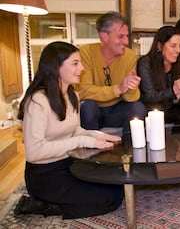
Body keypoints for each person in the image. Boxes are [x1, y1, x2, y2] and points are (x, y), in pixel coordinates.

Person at [14, 41, 124, 219]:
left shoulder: (72, 94)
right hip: (44, 175)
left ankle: (58, 201)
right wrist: (83, 141)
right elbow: (34, 152)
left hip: (68, 163)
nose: (81, 68)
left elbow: (74, 130)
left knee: (117, 185)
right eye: (75, 63)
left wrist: (99, 136)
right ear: (56, 67)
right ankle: (45, 206)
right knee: (110, 198)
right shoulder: (37, 101)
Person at [75, 12, 147, 138]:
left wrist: (131, 88)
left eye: (126, 36)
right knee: (87, 107)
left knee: (138, 108)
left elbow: (131, 98)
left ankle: (129, 153)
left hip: (117, 109)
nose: (126, 41)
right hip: (93, 109)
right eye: (120, 36)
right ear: (104, 36)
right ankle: (91, 154)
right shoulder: (85, 53)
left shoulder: (129, 56)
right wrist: (117, 89)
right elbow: (83, 91)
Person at [137, 26, 180, 124]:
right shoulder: (145, 63)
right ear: (160, 46)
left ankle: (179, 139)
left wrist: (178, 97)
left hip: (173, 107)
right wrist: (173, 92)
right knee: (155, 109)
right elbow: (149, 96)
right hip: (152, 108)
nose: (178, 50)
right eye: (173, 46)